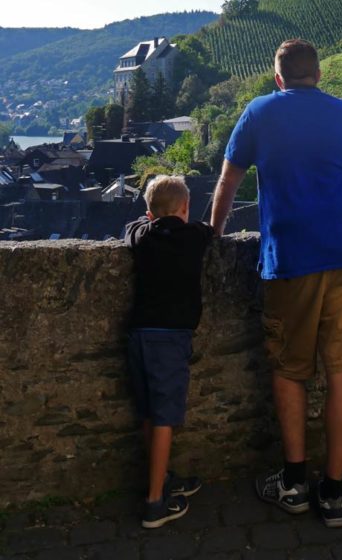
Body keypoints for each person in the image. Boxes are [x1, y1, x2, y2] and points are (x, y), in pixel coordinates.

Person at [210, 38, 342, 528]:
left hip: (291, 259)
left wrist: (215, 235)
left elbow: (228, 181)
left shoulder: (259, 112)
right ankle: (335, 493)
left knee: (291, 369)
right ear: (319, 74)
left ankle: (294, 483)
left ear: (278, 77)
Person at [124, 174, 214, 528]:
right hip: (171, 338)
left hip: (139, 334)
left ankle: (159, 478)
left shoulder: (141, 235)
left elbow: (131, 228)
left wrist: (149, 218)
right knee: (165, 417)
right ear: (185, 209)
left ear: (149, 213)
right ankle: (155, 502)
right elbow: (211, 231)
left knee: (148, 412)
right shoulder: (193, 237)